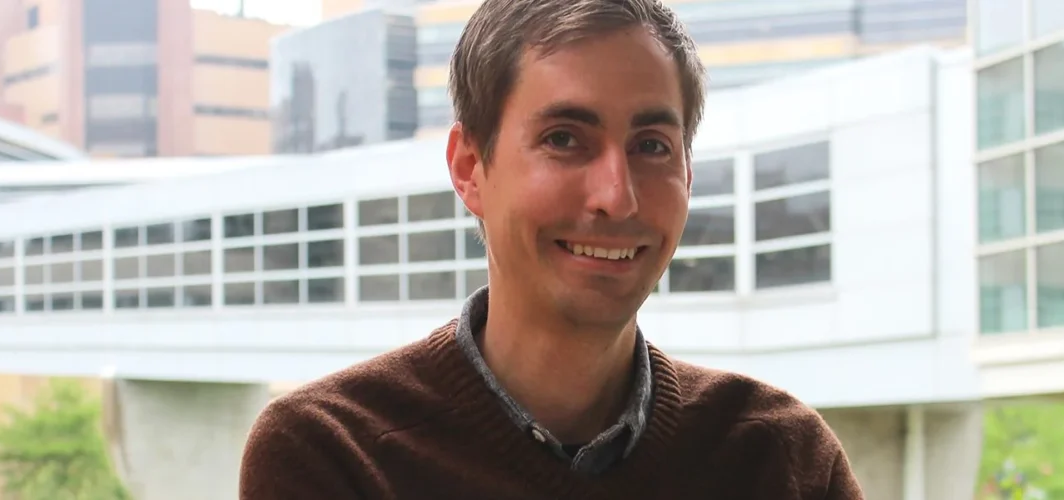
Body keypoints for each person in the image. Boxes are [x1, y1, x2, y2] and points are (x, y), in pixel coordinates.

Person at [238, 0, 864, 497]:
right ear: (469, 168)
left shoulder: (780, 457)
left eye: (652, 146)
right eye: (565, 139)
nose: (617, 197)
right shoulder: (334, 451)